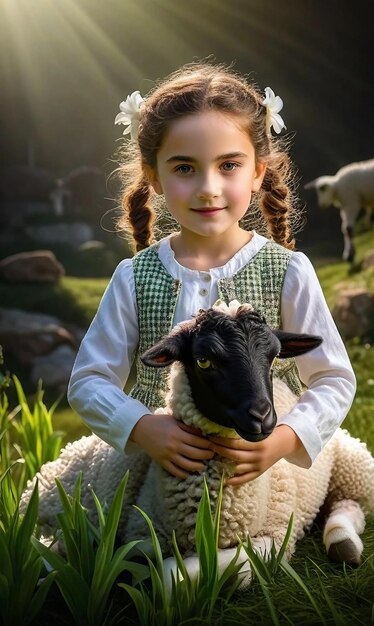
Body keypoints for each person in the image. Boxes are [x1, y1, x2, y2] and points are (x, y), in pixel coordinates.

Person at [68, 62, 356, 486]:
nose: (208, 187)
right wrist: (143, 428)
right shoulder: (134, 277)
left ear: (257, 172)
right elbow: (90, 379)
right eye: (184, 167)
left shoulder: (289, 270)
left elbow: (333, 376)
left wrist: (283, 440)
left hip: (256, 461)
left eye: (228, 166)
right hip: (165, 463)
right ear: (155, 176)